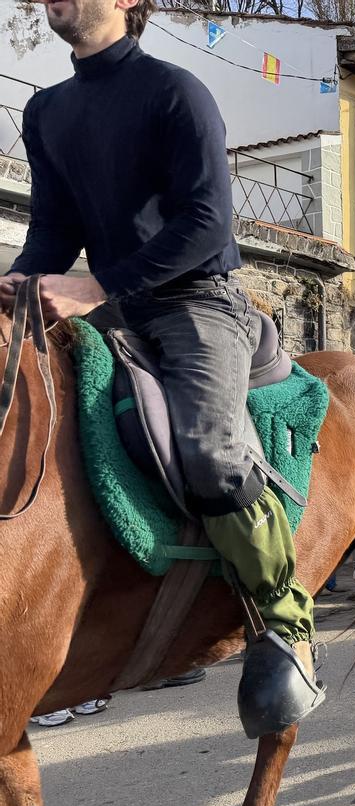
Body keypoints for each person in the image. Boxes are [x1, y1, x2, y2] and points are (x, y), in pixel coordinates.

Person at [0, 0, 320, 737]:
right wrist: (22, 282)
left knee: (210, 453)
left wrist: (101, 285)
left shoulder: (176, 92)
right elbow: (53, 226)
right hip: (105, 308)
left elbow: (208, 221)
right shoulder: (46, 110)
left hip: (196, 303)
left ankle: (283, 616)